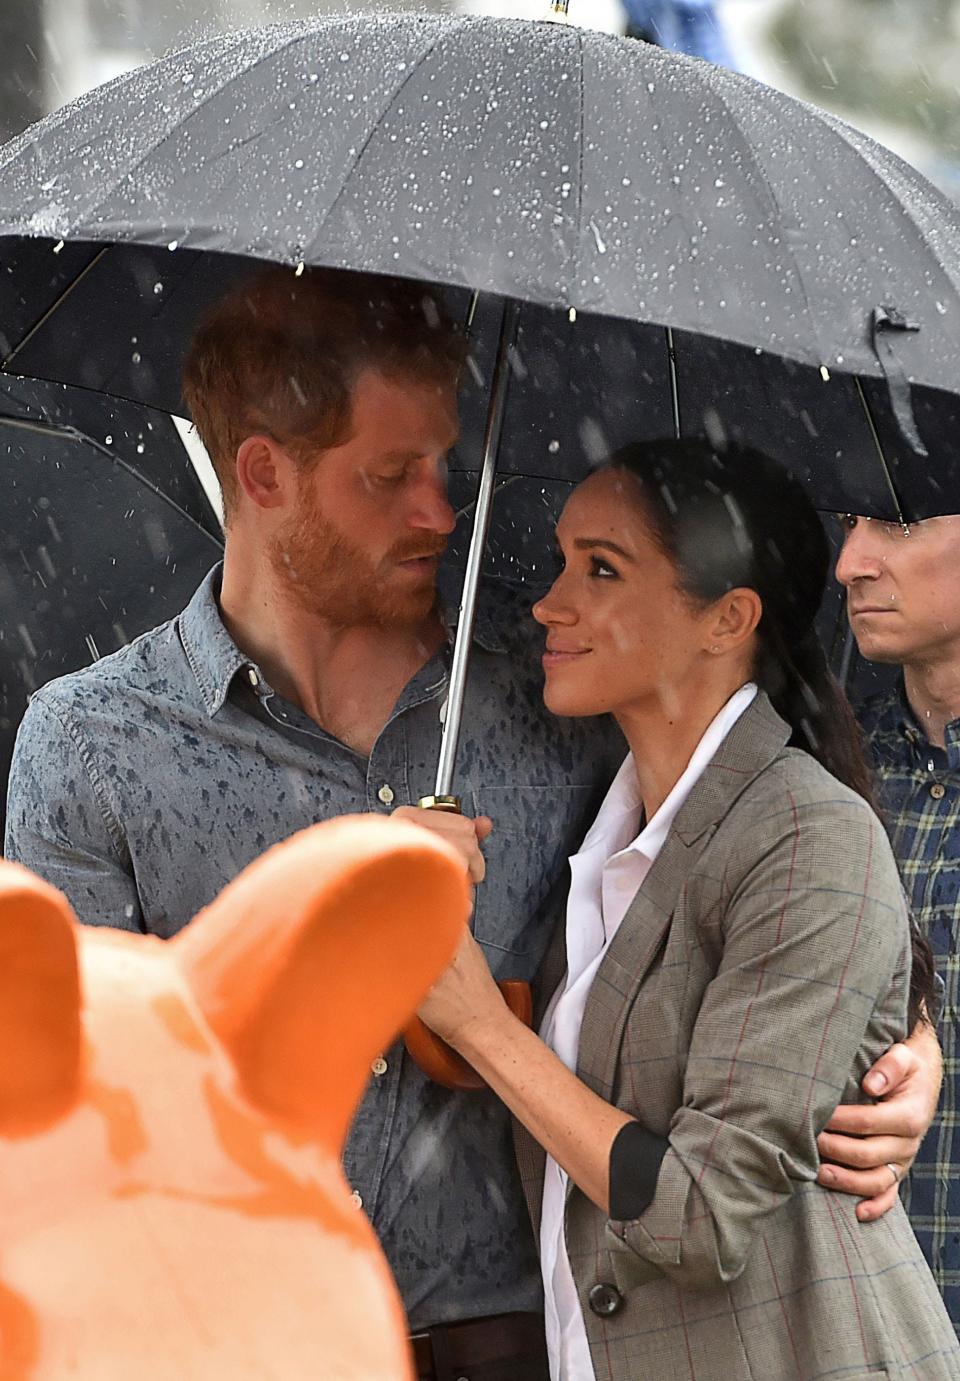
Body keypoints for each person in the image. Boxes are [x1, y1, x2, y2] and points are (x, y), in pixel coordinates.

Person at [1, 268, 941, 1377]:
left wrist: (905, 1046)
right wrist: (326, 925)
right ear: (262, 473)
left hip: (525, 1339)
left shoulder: (556, 703)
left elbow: (766, 881)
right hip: (241, 1334)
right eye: (391, 475)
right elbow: (50, 1100)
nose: (438, 511)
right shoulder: (92, 740)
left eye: (443, 466)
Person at [414, 440, 958, 1380]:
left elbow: (699, 1216)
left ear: (726, 620)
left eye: (602, 569)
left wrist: (483, 1029)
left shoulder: (805, 830)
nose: (549, 601)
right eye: (559, 560)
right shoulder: (601, 824)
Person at [837, 510, 960, 1332]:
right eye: (852, 522)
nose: (850, 561)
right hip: (857, 1316)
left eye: (902, 523)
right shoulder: (828, 763)